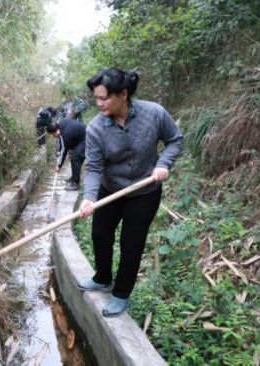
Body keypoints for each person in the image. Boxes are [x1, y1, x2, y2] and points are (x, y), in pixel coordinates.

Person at [78, 67, 183, 318]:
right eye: (96, 98)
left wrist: (162, 164)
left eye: (105, 98)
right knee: (100, 234)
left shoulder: (154, 113)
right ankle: (102, 277)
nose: (99, 103)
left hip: (144, 191)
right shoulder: (95, 128)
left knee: (131, 243)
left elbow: (175, 140)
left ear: (123, 94)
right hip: (110, 188)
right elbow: (94, 167)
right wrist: (89, 197)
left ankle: (121, 294)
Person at [46, 118, 86, 190]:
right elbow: (62, 146)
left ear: (56, 132)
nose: (53, 136)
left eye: (52, 134)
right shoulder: (60, 124)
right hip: (80, 138)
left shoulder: (65, 135)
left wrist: (59, 166)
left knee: (75, 157)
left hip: (87, 139)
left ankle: (75, 183)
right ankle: (74, 176)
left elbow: (63, 151)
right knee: (73, 154)